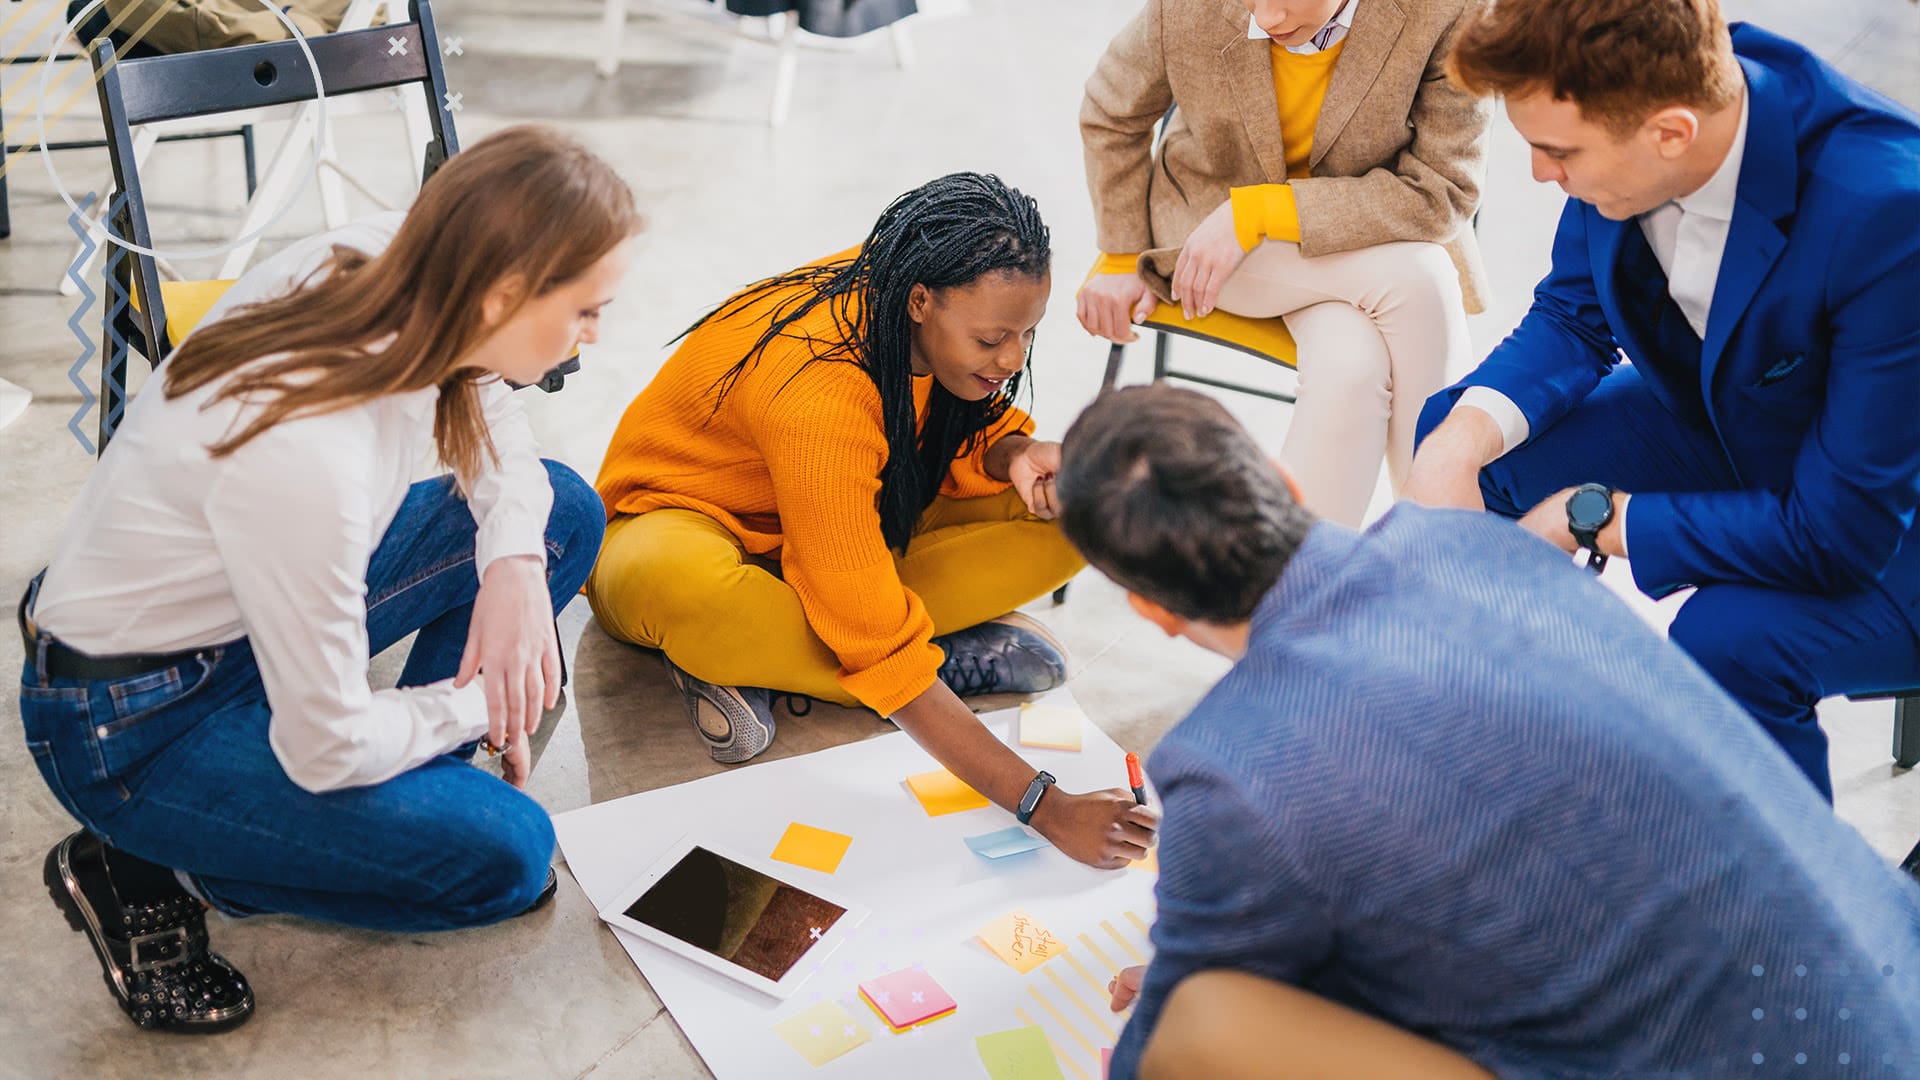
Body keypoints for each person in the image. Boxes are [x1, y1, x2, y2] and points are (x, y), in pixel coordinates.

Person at [1055, 384, 1920, 1078]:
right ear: (1285, 487)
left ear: (1152, 610)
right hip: (1893, 980)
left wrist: (1192, 990)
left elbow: (1169, 1038)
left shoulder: (1225, 766)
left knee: (1208, 1021)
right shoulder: (1481, 547)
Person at [19, 126, 639, 1032]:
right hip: (136, 718)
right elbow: (327, 743)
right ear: (504, 294)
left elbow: (490, 403)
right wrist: (487, 704)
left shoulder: (401, 259)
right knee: (509, 857)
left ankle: (390, 792)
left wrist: (508, 567)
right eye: (587, 310)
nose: (593, 334)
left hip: (232, 613)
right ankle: (145, 861)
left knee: (558, 517)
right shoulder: (316, 451)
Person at [1405, 0, 1920, 800]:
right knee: (1462, 434)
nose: (1541, 173)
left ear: (1671, 134)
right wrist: (1454, 446)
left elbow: (1839, 534)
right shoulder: (1643, 101)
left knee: (1731, 640)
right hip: (1735, 417)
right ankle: (1511, 751)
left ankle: (1787, 908)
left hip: (1890, 520)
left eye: (1556, 152)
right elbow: (1574, 314)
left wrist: (1599, 516)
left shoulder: (1887, 214)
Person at [588, 173, 1157, 869]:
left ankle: (771, 665)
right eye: (992, 339)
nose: (1011, 359)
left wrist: (1015, 451)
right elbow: (877, 642)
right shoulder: (818, 393)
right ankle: (919, 661)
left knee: (1075, 506)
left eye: (1027, 333)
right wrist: (1045, 805)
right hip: (683, 528)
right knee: (683, 588)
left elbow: (954, 428)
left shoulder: (914, 283)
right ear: (921, 303)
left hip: (844, 523)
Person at [1078, 0, 1493, 525]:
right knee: (1426, 278)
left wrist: (1266, 210)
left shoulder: (1448, 11)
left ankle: (1299, 583)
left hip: (1365, 238)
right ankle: (1442, 548)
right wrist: (1120, 253)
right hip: (1208, 239)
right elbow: (1110, 112)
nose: (1266, 18)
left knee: (1352, 368)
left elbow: (1442, 192)